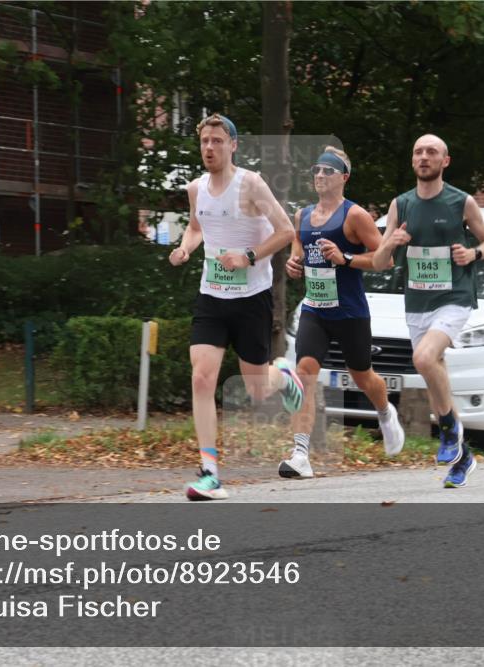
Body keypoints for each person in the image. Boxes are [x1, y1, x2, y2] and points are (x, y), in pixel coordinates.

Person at [169, 113, 303, 501]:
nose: (209, 148)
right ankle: (209, 471)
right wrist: (185, 248)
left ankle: (284, 377)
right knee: (201, 377)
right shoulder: (196, 189)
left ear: (233, 146)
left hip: (251, 298)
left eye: (217, 141)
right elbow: (197, 227)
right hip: (212, 295)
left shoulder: (251, 184)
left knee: (257, 389)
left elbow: (285, 232)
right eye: (204, 142)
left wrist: (248, 255)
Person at [372, 134, 484, 488]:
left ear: (445, 161)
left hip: (455, 297)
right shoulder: (401, 205)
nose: (424, 157)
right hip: (417, 304)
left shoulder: (462, 202)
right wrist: (391, 242)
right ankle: (463, 457)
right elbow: (380, 262)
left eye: (432, 152)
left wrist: (472, 254)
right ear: (413, 161)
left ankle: (446, 431)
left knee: (425, 359)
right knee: (435, 373)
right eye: (418, 152)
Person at [280, 147, 405, 479]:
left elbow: (385, 260)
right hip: (315, 309)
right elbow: (298, 250)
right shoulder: (302, 216)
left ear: (344, 177)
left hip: (349, 312)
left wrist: (345, 258)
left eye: (328, 171)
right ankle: (301, 454)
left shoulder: (356, 216)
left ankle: (385, 412)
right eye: (316, 170)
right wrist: (294, 263)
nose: (320, 175)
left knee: (362, 374)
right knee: (304, 370)